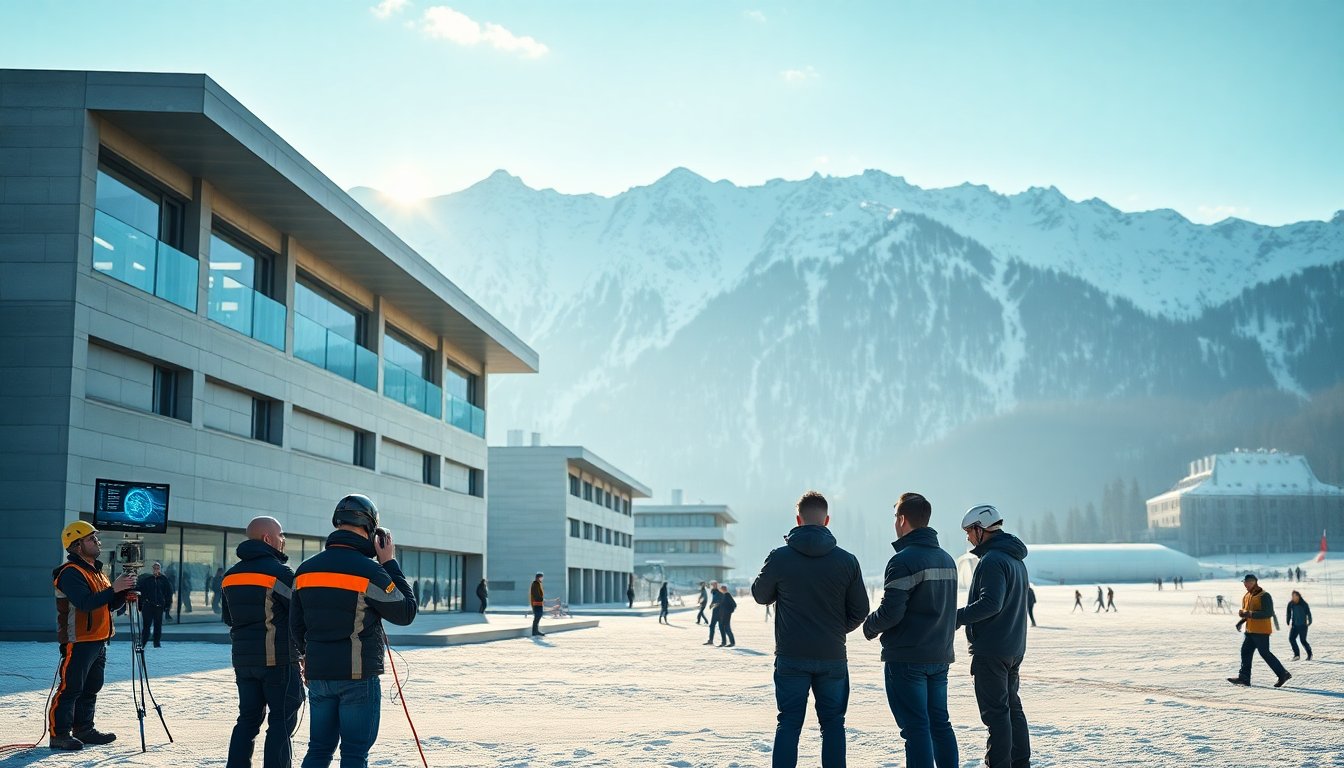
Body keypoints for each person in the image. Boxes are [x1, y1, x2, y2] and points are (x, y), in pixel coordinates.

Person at [292, 494, 418, 767]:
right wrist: (389, 563)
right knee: (354, 753)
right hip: (357, 675)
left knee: (319, 749)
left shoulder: (305, 570)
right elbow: (406, 611)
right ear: (370, 529)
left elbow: (296, 626)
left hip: (319, 675)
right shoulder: (369, 571)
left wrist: (306, 656)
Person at [751, 490, 868, 768]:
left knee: (789, 723)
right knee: (833, 725)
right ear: (827, 520)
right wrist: (837, 630)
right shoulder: (847, 560)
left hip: (791, 655)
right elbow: (861, 611)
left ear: (798, 520)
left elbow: (760, 595)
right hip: (832, 655)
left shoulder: (780, 557)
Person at [862, 492, 959, 768]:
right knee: (940, 724)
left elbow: (892, 611)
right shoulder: (948, 559)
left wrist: (870, 626)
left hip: (907, 658)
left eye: (895, 517)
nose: (895, 523)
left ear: (902, 520)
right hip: (940, 656)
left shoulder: (902, 561)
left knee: (915, 729)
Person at [222, 516, 303, 768]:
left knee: (247, 719)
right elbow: (298, 616)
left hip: (243, 662)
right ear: (267, 538)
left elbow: (228, 618)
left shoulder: (230, 576)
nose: (283, 540)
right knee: (281, 720)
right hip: (277, 660)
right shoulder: (280, 573)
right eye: (280, 535)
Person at [48, 521, 136, 751]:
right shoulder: (70, 573)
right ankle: (59, 734)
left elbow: (107, 604)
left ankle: (84, 729)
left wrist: (121, 593)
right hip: (78, 640)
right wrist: (113, 589)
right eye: (91, 539)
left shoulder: (96, 571)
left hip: (98, 639)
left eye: (95, 538)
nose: (97, 542)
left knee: (92, 687)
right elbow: (85, 603)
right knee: (71, 688)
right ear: (77, 546)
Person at [956, 504, 1031, 768]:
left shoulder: (992, 561)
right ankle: (1020, 763)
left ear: (980, 529)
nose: (967, 537)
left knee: (996, 715)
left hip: (992, 649)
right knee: (1012, 709)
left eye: (968, 531)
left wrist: (955, 618)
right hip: (1013, 647)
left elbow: (991, 604)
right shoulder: (1015, 559)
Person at [1227, 573, 1290, 688]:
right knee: (1245, 651)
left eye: (1246, 583)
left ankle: (1283, 674)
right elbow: (1248, 613)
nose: (1244, 585)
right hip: (1250, 630)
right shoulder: (1247, 596)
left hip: (1261, 631)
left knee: (1264, 653)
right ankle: (1244, 678)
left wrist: (1248, 614)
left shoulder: (1264, 596)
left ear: (1253, 582)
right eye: (1244, 583)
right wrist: (1241, 622)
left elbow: (1268, 613)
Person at [135, 561, 174, 648]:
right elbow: (142, 592)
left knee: (158, 625)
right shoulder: (147, 579)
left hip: (159, 606)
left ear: (160, 569)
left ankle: (156, 642)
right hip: (148, 606)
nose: (156, 570)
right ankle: (143, 642)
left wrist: (167, 605)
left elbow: (168, 593)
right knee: (146, 626)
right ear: (152, 569)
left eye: (157, 568)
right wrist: (140, 605)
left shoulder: (164, 579)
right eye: (154, 568)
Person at [1286, 590, 1313, 661]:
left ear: (1298, 596)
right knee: (1291, 639)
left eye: (1295, 596)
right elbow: (1288, 612)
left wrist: (1310, 621)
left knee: (1303, 640)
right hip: (1295, 625)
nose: (1294, 597)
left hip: (1303, 625)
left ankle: (1309, 654)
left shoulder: (1303, 604)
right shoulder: (1291, 604)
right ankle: (1297, 655)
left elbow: (1308, 613)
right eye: (1293, 596)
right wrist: (1288, 620)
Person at [704, 580, 723, 645]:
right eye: (712, 585)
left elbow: (720, 602)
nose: (712, 586)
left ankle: (723, 642)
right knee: (712, 626)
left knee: (721, 627)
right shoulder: (713, 592)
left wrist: (714, 604)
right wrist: (711, 604)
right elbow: (714, 600)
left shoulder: (720, 592)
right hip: (715, 612)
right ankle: (710, 640)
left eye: (714, 585)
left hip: (720, 612)